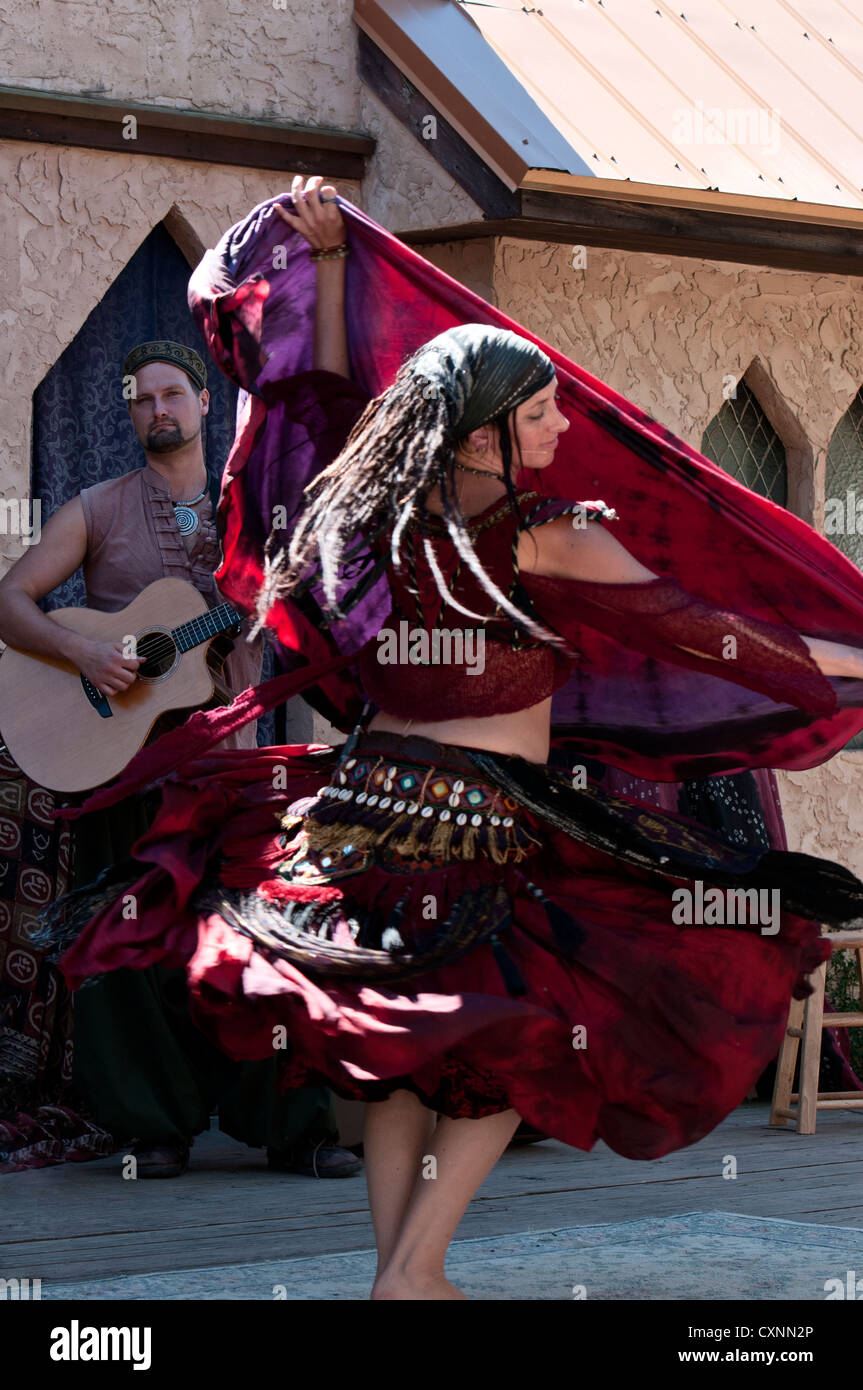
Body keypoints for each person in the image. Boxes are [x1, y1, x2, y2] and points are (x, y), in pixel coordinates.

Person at [40, 185, 863, 1296]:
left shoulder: (353, 514)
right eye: (539, 417)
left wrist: (332, 276)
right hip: (480, 822)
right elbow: (707, 636)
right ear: (480, 432)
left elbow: (327, 397)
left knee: (399, 1061)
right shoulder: (541, 538)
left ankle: (403, 1271)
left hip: (355, 813)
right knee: (525, 1034)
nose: (561, 432)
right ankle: (413, 1269)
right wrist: (843, 662)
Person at [0, 203, 363, 1177]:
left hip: (232, 770)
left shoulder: (256, 504)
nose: (154, 411)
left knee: (261, 936)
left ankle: (297, 1131)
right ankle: (151, 1130)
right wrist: (85, 657)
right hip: (124, 770)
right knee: (128, 949)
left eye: (169, 394)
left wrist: (260, 641)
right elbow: (12, 601)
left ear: (204, 402)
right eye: (138, 401)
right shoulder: (96, 509)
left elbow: (298, 594)